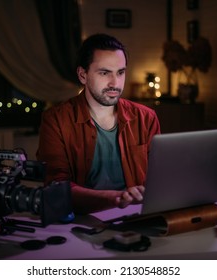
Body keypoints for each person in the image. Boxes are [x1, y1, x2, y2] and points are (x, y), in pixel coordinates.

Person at [36, 33, 160, 214]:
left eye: (120, 72)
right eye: (104, 73)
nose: (115, 83)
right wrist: (115, 198)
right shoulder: (56, 120)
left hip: (136, 215)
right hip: (83, 218)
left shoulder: (146, 118)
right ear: (82, 75)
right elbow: (57, 186)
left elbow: (158, 177)